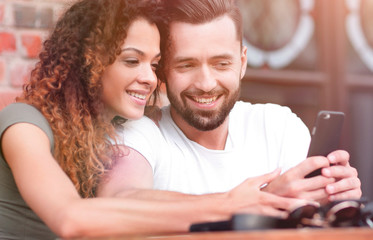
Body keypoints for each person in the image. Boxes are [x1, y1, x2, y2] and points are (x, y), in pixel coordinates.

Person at [98, 0, 361, 214]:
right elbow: (117, 201)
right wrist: (257, 202)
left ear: (243, 62)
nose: (206, 83)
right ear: (163, 70)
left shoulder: (278, 125)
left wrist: (334, 200)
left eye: (221, 64)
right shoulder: (139, 133)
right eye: (186, 65)